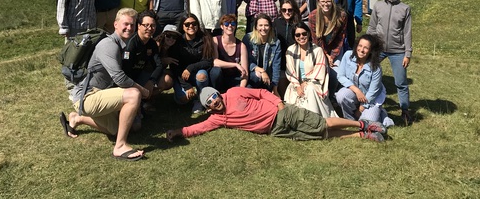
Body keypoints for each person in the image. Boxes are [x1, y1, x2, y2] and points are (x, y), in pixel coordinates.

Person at [60, 8, 150, 161]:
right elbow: (120, 79)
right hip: (88, 96)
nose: (129, 28)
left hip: (97, 94)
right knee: (133, 95)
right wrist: (143, 91)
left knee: (119, 128)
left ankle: (77, 119)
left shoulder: (120, 45)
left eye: (132, 25)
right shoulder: (109, 45)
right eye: (125, 24)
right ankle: (120, 147)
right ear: (115, 24)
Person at [165, 86, 387, 143]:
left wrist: (278, 102)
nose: (215, 102)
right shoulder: (216, 118)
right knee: (318, 136)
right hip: (275, 131)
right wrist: (179, 131)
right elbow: (198, 128)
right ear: (208, 108)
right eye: (210, 103)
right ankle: (361, 136)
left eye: (214, 97)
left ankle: (362, 124)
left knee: (320, 123)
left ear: (218, 94)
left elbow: (261, 93)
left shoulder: (233, 92)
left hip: (282, 114)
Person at [366, 0, 413, 125]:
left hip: (398, 50)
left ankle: (405, 111)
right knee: (367, 75)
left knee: (401, 82)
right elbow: (372, 27)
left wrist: (408, 53)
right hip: (378, 48)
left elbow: (407, 32)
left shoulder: (405, 8)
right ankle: (367, 105)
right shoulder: (378, 6)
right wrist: (368, 46)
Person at [160, 15, 216, 113]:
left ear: (198, 25)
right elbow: (175, 67)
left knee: (201, 75)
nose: (191, 26)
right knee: (183, 100)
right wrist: (187, 86)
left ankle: (200, 99)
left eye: (194, 23)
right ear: (182, 26)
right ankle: (181, 94)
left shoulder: (205, 39)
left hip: (198, 72)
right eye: (187, 24)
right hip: (181, 74)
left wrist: (190, 68)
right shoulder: (177, 41)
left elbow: (208, 61)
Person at [336, 34, 393, 127]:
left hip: (371, 99)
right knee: (341, 96)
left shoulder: (376, 68)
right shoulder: (348, 55)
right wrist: (356, 90)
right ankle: (350, 120)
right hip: (354, 92)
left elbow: (373, 92)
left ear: (371, 51)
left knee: (368, 122)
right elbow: (340, 76)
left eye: (366, 48)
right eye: (360, 46)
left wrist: (361, 109)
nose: (362, 50)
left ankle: (381, 115)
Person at [283, 22, 337, 118]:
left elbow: (320, 71)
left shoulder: (317, 50)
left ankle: (315, 118)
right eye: (297, 35)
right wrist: (297, 86)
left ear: (308, 33)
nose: (301, 37)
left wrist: (306, 82)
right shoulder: (290, 51)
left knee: (310, 89)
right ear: (294, 37)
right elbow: (290, 72)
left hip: (313, 82)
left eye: (304, 33)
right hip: (296, 83)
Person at [122, 10, 165, 103]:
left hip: (141, 74)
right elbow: (125, 68)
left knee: (166, 80)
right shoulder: (131, 43)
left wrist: (151, 81)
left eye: (153, 25)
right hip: (127, 79)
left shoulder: (152, 43)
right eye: (146, 25)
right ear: (139, 26)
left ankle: (145, 101)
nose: (150, 28)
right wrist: (137, 87)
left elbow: (159, 65)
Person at [242, 14, 281, 95]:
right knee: (257, 76)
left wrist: (275, 87)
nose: (263, 28)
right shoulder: (248, 38)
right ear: (256, 27)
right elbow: (246, 61)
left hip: (267, 77)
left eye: (266, 25)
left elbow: (276, 65)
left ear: (270, 27)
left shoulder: (276, 42)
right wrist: (261, 70)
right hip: (252, 74)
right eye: (260, 25)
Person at [309, 0, 348, 69]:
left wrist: (332, 56)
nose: (325, 4)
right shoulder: (313, 16)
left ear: (333, 2)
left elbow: (340, 38)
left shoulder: (341, 16)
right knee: (322, 68)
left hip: (335, 47)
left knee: (335, 72)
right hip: (320, 48)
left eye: (328, 1)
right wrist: (326, 55)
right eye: (323, 1)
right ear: (318, 3)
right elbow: (316, 40)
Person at [210, 14, 248, 92]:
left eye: (233, 24)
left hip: (234, 78)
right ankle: (216, 92)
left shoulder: (241, 45)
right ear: (221, 26)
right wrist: (235, 64)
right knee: (215, 71)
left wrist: (241, 89)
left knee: (249, 89)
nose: (230, 26)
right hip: (219, 78)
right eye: (226, 24)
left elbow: (245, 73)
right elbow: (215, 62)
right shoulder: (215, 40)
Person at [273, 0, 301, 97]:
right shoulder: (276, 23)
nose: (287, 12)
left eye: (290, 10)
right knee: (284, 93)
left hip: (295, 60)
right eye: (284, 10)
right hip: (280, 61)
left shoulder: (298, 24)